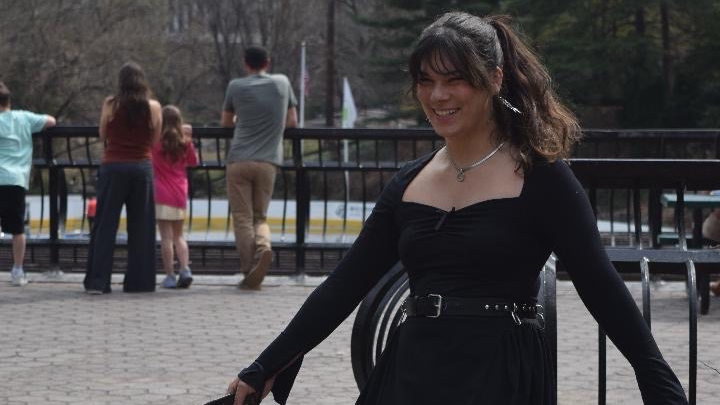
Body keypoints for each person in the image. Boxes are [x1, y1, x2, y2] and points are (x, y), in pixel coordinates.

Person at [225, 13, 689, 405]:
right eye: (426, 81)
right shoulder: (408, 183)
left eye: (454, 80)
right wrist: (265, 365)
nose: (437, 96)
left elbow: (601, 286)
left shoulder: (542, 177)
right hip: (411, 371)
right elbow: (344, 285)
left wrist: (661, 386)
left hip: (501, 375)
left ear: (495, 79)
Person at [221, 45, 298, 290]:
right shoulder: (282, 83)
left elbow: (225, 123)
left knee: (242, 217)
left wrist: (240, 119)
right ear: (268, 62)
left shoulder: (235, 86)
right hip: (268, 161)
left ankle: (249, 271)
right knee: (260, 216)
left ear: (246, 64)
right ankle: (264, 246)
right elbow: (292, 121)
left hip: (238, 160)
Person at [83, 62, 162, 294]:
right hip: (141, 168)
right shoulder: (153, 107)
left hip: (114, 167)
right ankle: (140, 282)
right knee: (142, 227)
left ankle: (98, 281)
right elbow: (155, 140)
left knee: (105, 225)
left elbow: (102, 134)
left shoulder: (111, 104)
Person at [0, 81, 56, 286]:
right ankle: (18, 270)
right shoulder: (23, 118)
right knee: (17, 229)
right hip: (16, 180)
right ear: (8, 101)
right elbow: (51, 121)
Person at [152, 105, 198, 288]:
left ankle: (170, 276)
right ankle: (185, 269)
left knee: (166, 238)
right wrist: (189, 138)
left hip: (161, 193)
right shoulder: (185, 142)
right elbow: (193, 162)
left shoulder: (156, 142)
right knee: (179, 236)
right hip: (180, 193)